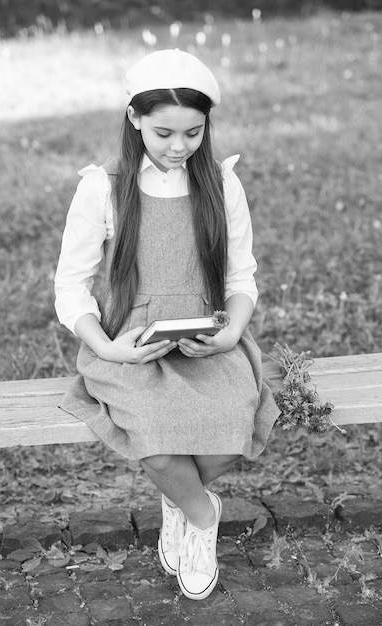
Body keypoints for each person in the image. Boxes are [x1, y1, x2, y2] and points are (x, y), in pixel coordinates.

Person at [54, 49, 280, 601]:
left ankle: (177, 495)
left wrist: (229, 334)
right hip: (132, 343)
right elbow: (70, 286)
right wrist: (108, 349)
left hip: (206, 336)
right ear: (134, 119)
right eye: (163, 133)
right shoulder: (103, 187)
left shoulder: (221, 186)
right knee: (155, 440)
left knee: (232, 428)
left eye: (193, 133)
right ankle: (200, 516)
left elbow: (242, 277)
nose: (179, 147)